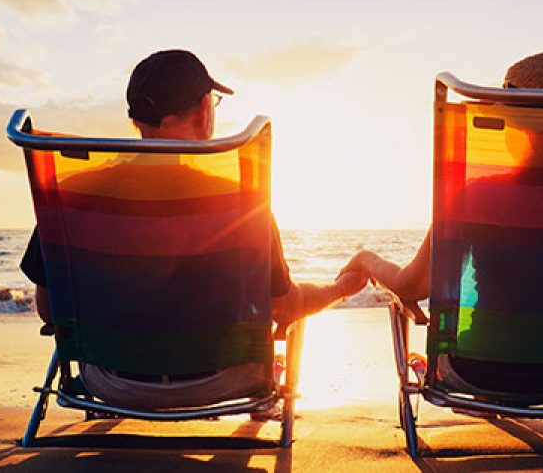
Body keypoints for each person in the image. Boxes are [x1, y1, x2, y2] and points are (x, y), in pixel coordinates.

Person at [20, 49, 367, 409]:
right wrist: (339, 289)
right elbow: (284, 307)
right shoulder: (240, 201)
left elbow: (51, 309)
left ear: (136, 118)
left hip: (109, 384)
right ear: (204, 110)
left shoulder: (74, 194)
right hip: (223, 382)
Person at [342, 51, 543, 397]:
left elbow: (412, 287)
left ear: (515, 125)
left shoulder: (479, 195)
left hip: (481, 372)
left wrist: (366, 260)